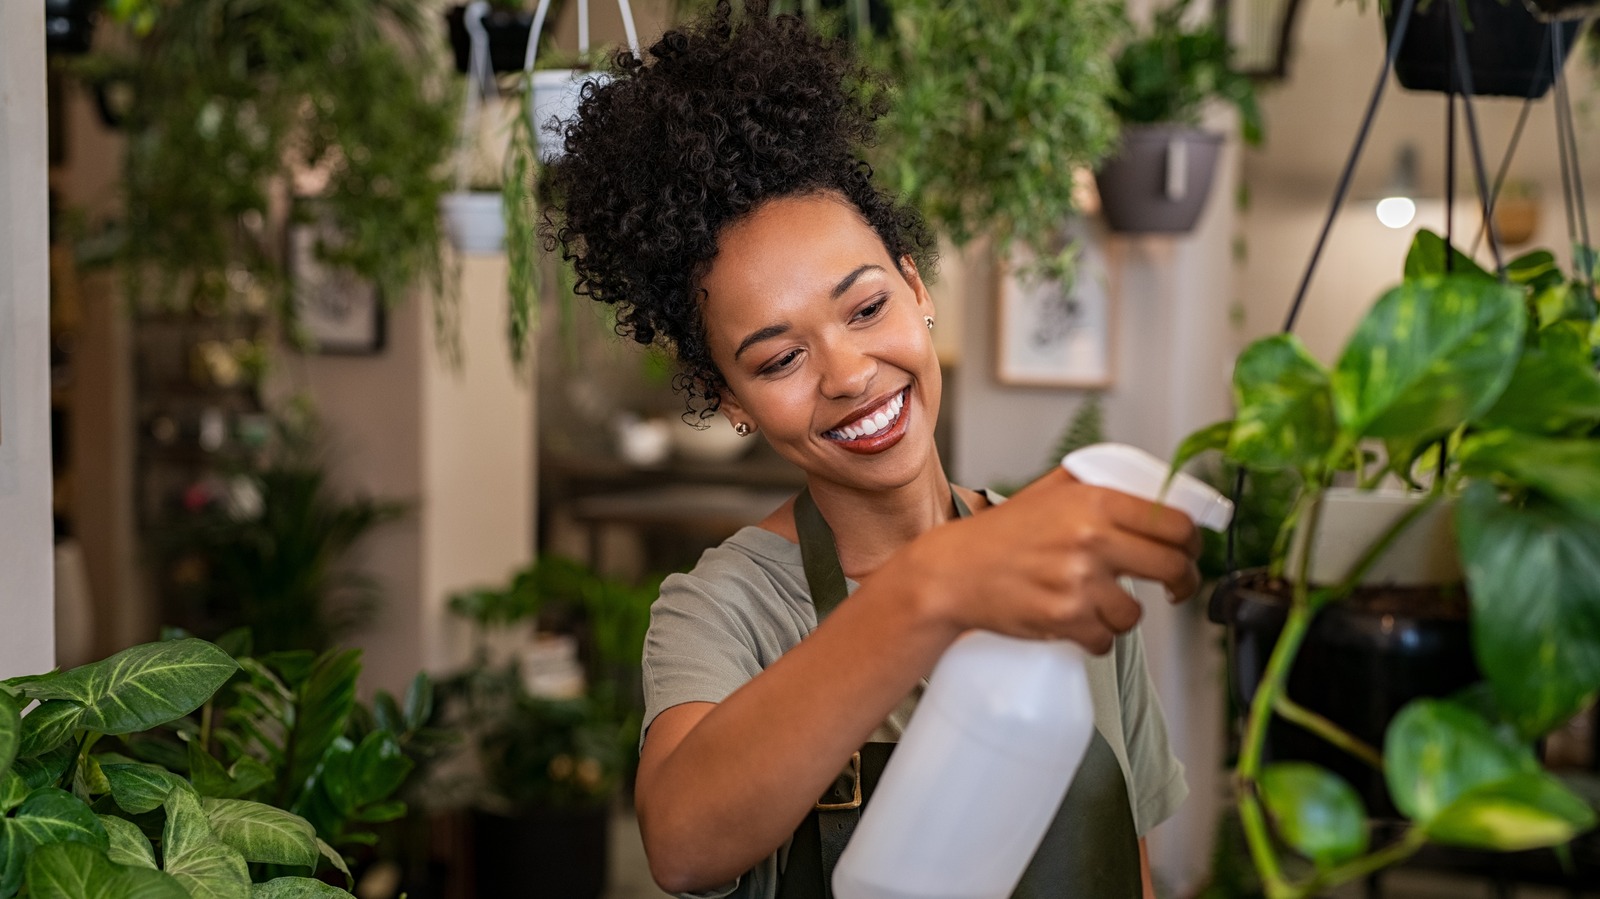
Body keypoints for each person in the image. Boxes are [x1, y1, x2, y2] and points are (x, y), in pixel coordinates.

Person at [547, 3, 1203, 898]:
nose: (850, 373)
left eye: (866, 308)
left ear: (916, 288)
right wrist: (931, 585)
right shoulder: (730, 609)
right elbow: (683, 842)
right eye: (779, 359)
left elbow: (1130, 864)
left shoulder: (1060, 568)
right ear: (731, 400)